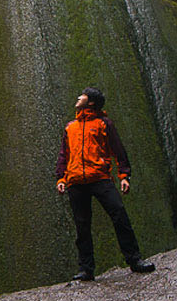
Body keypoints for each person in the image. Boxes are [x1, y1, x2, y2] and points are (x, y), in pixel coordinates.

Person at [55, 87, 156, 280]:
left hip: (100, 178)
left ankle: (134, 260)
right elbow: (63, 155)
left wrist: (124, 176)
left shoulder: (103, 124)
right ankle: (86, 269)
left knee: (119, 215)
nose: (78, 97)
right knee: (82, 226)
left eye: (82, 95)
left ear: (91, 102)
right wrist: (61, 178)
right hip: (75, 181)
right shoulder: (71, 127)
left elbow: (118, 150)